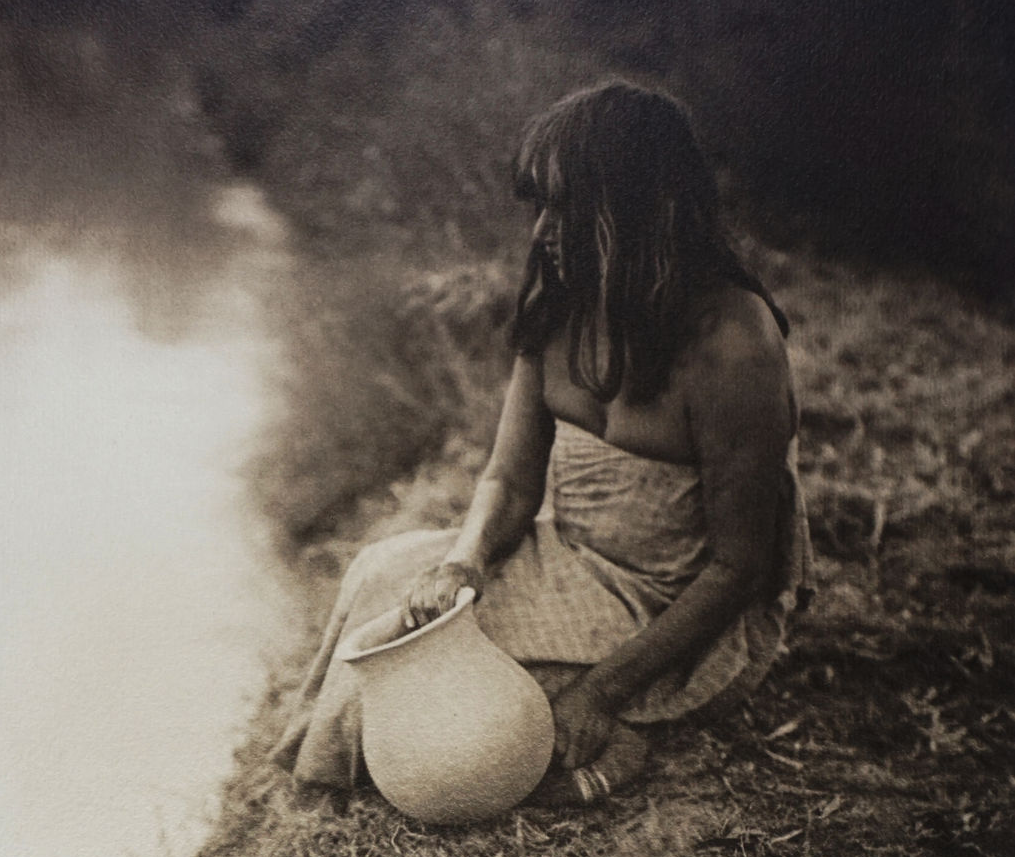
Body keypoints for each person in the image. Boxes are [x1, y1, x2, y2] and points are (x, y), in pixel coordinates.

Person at [274, 79, 812, 806]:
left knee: (437, 671)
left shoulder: (734, 343)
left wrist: (599, 692)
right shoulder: (558, 303)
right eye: (540, 207)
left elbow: (736, 568)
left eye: (568, 208)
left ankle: (601, 744)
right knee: (383, 570)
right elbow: (509, 478)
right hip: (566, 554)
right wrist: (462, 562)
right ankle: (338, 766)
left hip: (664, 605)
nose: (543, 232)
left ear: (642, 206)